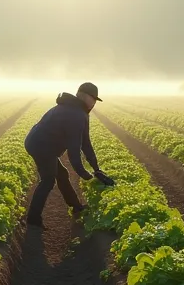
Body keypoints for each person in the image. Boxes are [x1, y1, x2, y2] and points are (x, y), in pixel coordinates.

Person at [23, 82, 116, 228]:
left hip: (38, 142)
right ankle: (33, 219)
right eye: (94, 99)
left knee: (62, 174)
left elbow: (86, 143)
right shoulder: (77, 115)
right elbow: (74, 151)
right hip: (41, 146)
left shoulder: (76, 110)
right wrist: (85, 174)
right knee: (48, 180)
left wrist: (96, 168)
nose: (94, 104)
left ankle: (76, 206)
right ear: (85, 97)